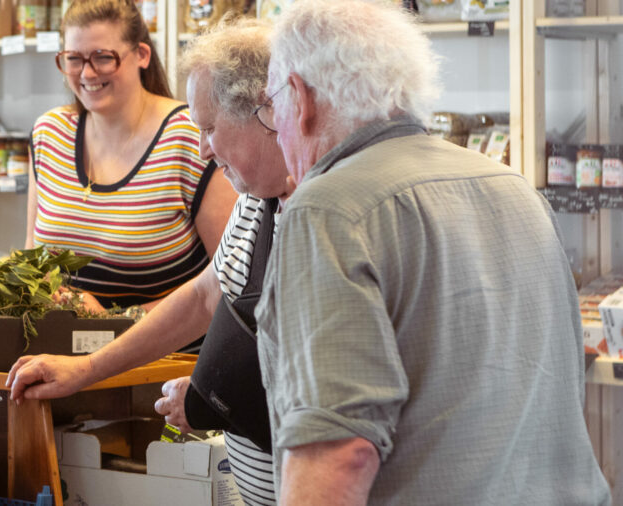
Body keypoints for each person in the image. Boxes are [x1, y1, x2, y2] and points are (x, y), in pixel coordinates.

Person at [256, 1, 611, 504]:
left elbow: (339, 451)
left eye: (272, 105)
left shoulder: (326, 209)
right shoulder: (514, 187)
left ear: (299, 95)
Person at [8, 18, 289, 505]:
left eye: (210, 129)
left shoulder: (328, 211)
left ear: (269, 111)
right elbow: (207, 294)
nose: (203, 147)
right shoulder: (257, 200)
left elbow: (325, 387)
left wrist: (210, 391)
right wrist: (84, 369)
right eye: (73, 59)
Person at [26, 0, 237, 316]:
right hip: (59, 358)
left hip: (168, 359)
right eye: (73, 59)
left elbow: (231, 282)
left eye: (103, 58)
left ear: (142, 54)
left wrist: (113, 322)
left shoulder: (190, 137)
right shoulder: (49, 133)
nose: (87, 73)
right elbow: (31, 259)